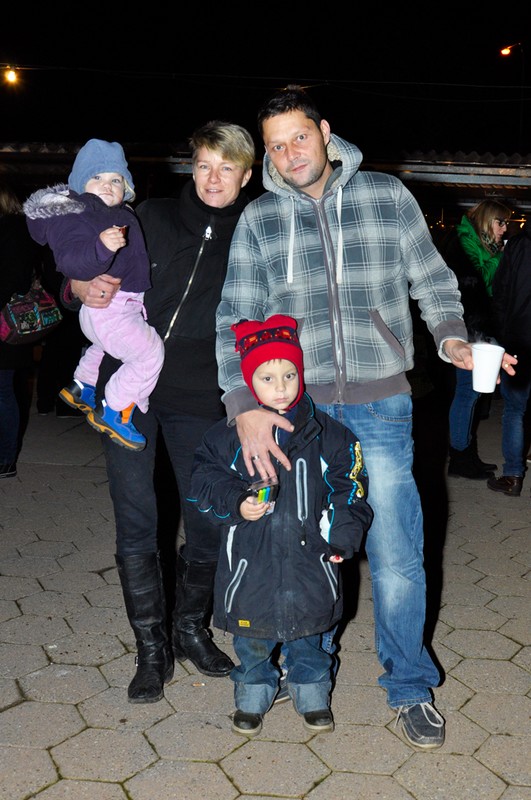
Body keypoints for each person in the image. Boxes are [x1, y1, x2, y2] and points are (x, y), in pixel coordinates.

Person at [215, 84, 518, 750]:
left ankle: (409, 686)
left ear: (325, 132)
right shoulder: (261, 218)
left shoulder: (386, 195)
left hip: (381, 401)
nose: (289, 154)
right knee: (307, 544)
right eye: (275, 146)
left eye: (299, 137)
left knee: (396, 553)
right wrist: (242, 405)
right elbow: (234, 315)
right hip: (298, 409)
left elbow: (431, 279)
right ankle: (309, 667)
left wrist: (451, 338)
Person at [63, 121, 256, 703]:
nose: (213, 178)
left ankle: (190, 629)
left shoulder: (255, 230)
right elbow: (77, 251)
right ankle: (151, 648)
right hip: (127, 390)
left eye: (226, 168)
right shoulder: (148, 215)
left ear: (247, 175)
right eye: (203, 165)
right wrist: (76, 286)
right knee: (136, 517)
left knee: (207, 518)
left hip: (201, 394)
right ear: (190, 168)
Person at [189, 314, 373, 736]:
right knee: (252, 639)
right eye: (267, 378)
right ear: (249, 382)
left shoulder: (330, 434)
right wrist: (237, 503)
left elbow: (351, 486)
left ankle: (312, 689)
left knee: (310, 633)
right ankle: (253, 689)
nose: (281, 386)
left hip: (312, 560)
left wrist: (341, 535)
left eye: (289, 375)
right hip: (249, 563)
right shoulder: (227, 436)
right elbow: (203, 479)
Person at [24, 138, 164, 451]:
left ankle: (82, 386)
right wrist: (101, 247)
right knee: (149, 352)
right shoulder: (78, 215)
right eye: (97, 177)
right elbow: (70, 260)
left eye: (116, 180)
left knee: (104, 347)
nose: (107, 185)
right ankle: (114, 408)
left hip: (113, 310)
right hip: (111, 308)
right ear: (79, 184)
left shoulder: (112, 212)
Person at [438, 199, 513, 479]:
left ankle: (466, 454)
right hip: (466, 330)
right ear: (486, 221)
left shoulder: (479, 246)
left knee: (471, 394)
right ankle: (460, 458)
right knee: (467, 394)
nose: (505, 228)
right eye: (500, 222)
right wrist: (500, 259)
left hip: (478, 328)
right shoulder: (462, 243)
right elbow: (473, 287)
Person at [0, 181, 43, 479]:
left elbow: (12, 279)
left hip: (5, 324)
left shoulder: (10, 231)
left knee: (3, 391)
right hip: (9, 323)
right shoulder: (20, 228)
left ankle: (6, 459)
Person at [487, 221, 531, 497]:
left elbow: (500, 292)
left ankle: (513, 475)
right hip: (518, 338)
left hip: (519, 340)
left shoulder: (517, 246)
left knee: (515, 409)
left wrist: (498, 337)